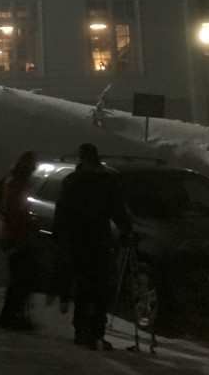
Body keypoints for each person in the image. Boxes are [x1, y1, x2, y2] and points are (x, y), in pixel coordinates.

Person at [53, 144, 133, 350]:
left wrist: (61, 239)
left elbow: (61, 215)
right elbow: (117, 210)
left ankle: (85, 332)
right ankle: (94, 332)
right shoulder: (105, 181)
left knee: (87, 288)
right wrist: (126, 229)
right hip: (96, 241)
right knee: (98, 289)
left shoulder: (73, 182)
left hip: (82, 241)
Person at [0, 150, 39, 331]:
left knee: (19, 277)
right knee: (21, 278)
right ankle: (11, 316)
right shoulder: (18, 183)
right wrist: (27, 228)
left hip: (9, 232)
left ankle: (13, 315)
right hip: (16, 234)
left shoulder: (9, 180)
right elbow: (16, 211)